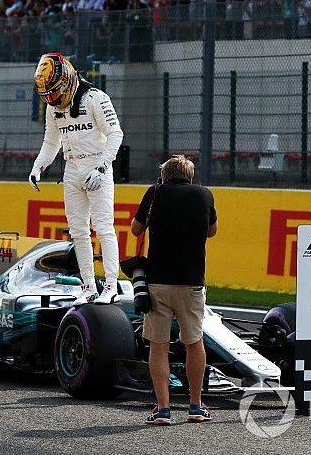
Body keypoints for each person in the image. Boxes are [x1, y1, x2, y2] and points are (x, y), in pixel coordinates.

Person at [29, 53, 124, 305]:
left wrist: (103, 167)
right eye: (47, 95)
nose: (52, 99)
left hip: (97, 165)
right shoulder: (53, 108)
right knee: (78, 231)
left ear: (68, 80)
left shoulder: (96, 98)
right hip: (71, 168)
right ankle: (89, 286)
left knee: (103, 227)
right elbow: (51, 141)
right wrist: (39, 166)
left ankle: (111, 285)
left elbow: (115, 133)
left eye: (54, 93)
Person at [130, 155, 217, 425]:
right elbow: (212, 231)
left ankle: (163, 408)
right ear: (189, 176)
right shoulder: (204, 194)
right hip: (192, 280)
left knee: (159, 345)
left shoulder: (155, 193)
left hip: (158, 281)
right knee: (194, 341)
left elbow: (135, 230)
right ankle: (195, 405)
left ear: (164, 175)